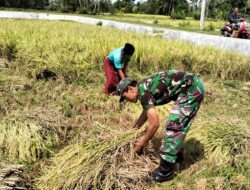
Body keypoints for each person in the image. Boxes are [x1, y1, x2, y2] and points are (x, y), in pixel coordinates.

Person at [116, 70, 205, 182]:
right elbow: (146, 112)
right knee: (176, 124)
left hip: (191, 89)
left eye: (124, 97)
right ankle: (176, 157)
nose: (126, 101)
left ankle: (165, 172)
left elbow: (154, 124)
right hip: (190, 87)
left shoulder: (144, 94)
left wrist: (142, 143)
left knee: (174, 126)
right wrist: (133, 131)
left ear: (130, 89)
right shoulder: (144, 88)